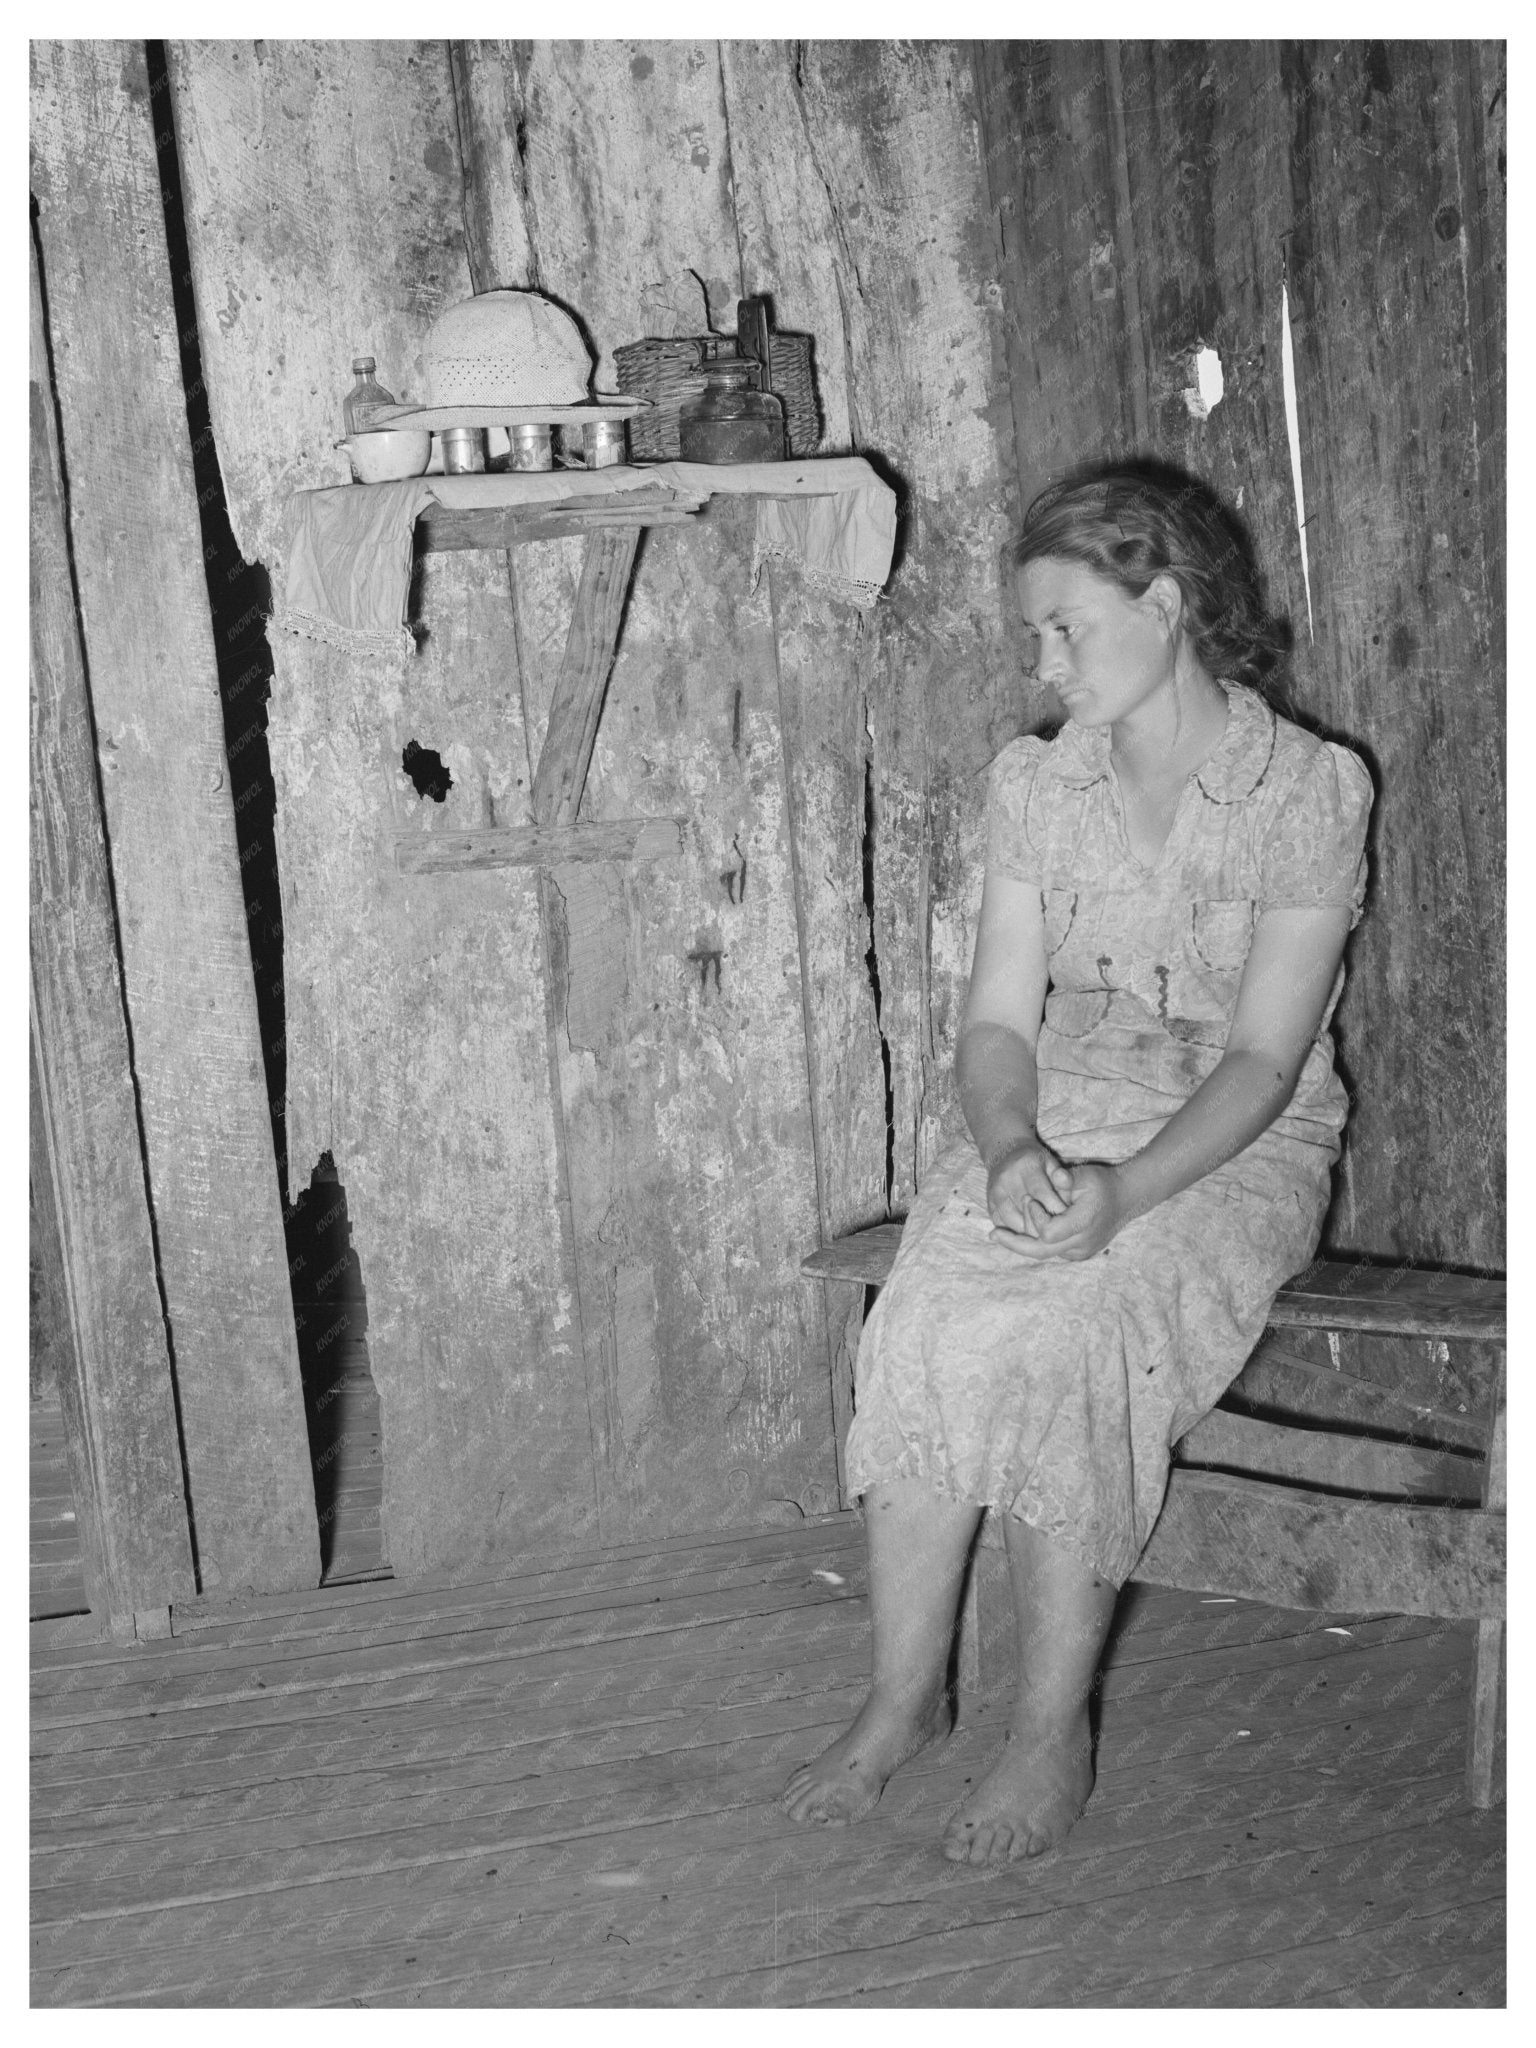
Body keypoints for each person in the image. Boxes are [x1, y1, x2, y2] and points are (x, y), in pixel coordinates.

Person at [782, 460, 1373, 1864]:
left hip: (1231, 1144)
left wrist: (1121, 1196)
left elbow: (1263, 1064)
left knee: (1082, 1329)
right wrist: (1007, 1147)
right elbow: (995, 1022)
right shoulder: (1036, 786)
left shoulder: (1307, 791)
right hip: (1056, 1105)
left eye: (1068, 629)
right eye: (1036, 637)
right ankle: (902, 1697)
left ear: (1163, 605)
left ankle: (1051, 1728)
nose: (1045, 666)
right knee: (924, 1316)